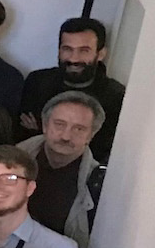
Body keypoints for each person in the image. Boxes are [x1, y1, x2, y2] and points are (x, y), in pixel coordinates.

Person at [18, 17, 126, 161]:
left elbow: (104, 149)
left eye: (84, 50)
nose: (74, 59)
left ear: (100, 54)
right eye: (67, 49)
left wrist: (40, 133)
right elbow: (21, 133)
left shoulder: (115, 95)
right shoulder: (37, 82)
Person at [16, 91, 108, 248]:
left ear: (91, 135)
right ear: (45, 126)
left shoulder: (98, 183)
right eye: (59, 124)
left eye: (78, 129)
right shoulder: (13, 159)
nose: (66, 136)